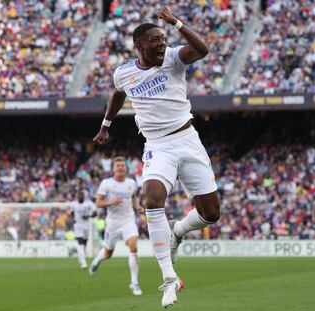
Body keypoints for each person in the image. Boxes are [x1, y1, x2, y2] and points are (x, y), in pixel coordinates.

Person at [93, 7, 220, 308]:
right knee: (151, 198)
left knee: (211, 214)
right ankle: (169, 278)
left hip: (187, 138)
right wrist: (105, 126)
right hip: (157, 145)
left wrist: (175, 23)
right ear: (140, 46)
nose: (162, 43)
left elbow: (202, 49)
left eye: (164, 38)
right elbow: (118, 94)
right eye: (155, 40)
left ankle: (177, 231)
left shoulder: (175, 59)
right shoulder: (124, 73)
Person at [89, 157, 143, 296]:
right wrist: (112, 202)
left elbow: (134, 198)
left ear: (126, 168)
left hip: (128, 221)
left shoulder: (131, 183)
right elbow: (98, 203)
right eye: (117, 165)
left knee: (134, 247)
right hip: (112, 223)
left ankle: (134, 283)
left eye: (122, 165)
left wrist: (138, 207)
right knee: (108, 253)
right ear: (113, 169)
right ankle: (97, 260)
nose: (120, 167)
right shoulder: (106, 183)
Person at [70, 191, 97, 269]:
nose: (80, 197)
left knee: (84, 243)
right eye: (79, 196)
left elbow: (95, 213)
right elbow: (71, 213)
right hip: (78, 225)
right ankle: (83, 263)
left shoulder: (89, 204)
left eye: (82, 196)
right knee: (80, 242)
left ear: (84, 197)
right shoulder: (74, 204)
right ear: (77, 197)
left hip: (86, 226)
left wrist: (88, 216)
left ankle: (80, 256)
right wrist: (73, 219)